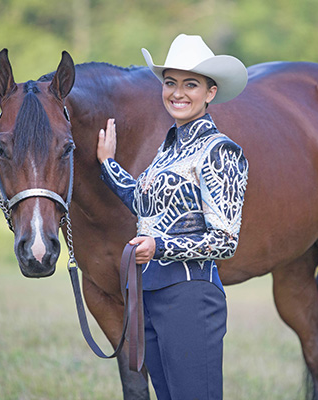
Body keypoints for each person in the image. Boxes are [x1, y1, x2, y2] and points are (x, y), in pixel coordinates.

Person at [97, 33, 249, 400]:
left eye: (190, 84)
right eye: (170, 83)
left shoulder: (220, 151)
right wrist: (108, 165)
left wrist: (160, 246)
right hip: (151, 293)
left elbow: (225, 240)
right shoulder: (168, 151)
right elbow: (145, 206)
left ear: (210, 92)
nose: (177, 93)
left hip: (190, 296)